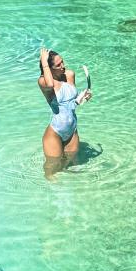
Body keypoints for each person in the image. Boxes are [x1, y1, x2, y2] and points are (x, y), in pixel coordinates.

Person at [38, 47, 91, 177]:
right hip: (55, 132)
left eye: (62, 61)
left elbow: (71, 103)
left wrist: (82, 98)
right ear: (49, 68)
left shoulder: (69, 75)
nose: (63, 66)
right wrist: (44, 61)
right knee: (52, 170)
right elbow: (50, 84)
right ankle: (50, 189)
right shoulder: (43, 81)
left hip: (72, 130)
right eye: (58, 65)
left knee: (71, 165)